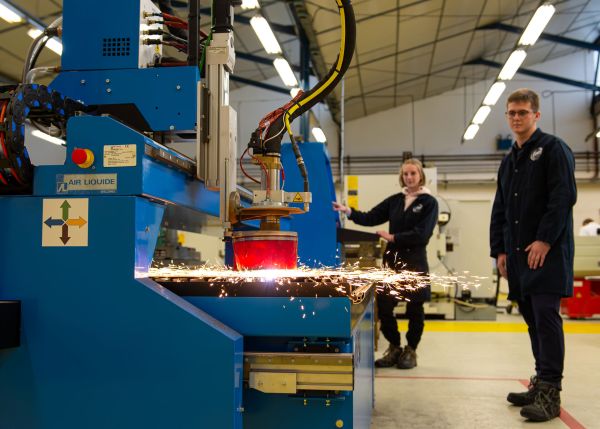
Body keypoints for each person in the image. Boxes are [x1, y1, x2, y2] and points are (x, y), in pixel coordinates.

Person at [490, 88, 577, 422]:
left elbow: (563, 198)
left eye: (522, 112)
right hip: (517, 256)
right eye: (511, 112)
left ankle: (551, 392)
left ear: (536, 115)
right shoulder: (510, 159)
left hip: (547, 254)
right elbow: (501, 208)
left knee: (546, 317)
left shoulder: (554, 149)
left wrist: (543, 240)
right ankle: (540, 380)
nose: (516, 118)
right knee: (531, 320)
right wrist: (498, 249)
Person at [333, 159, 438, 369]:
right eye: (405, 174)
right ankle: (395, 347)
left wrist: (393, 237)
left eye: (413, 174)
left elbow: (422, 234)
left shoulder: (428, 202)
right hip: (392, 264)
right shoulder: (396, 201)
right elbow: (372, 216)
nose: (409, 177)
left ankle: (411, 350)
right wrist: (348, 211)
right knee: (386, 305)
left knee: (414, 310)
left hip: (415, 263)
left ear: (420, 176)